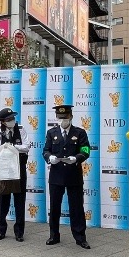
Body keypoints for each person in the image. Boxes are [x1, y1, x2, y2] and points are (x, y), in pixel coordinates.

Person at [42, 103, 91, 249]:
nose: (63, 120)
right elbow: (45, 150)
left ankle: (80, 237)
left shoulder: (80, 132)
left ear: (71, 117)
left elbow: (86, 150)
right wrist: (49, 157)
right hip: (56, 176)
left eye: (65, 117)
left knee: (76, 207)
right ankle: (53, 235)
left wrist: (76, 158)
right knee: (55, 207)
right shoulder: (51, 133)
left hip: (73, 175)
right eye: (60, 117)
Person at [0, 108, 29, 241]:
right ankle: (1, 230)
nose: (12, 121)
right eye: (8, 119)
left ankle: (19, 232)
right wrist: (7, 148)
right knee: (2, 201)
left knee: (19, 200)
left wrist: (11, 146)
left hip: (19, 169)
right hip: (4, 170)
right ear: (2, 121)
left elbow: (26, 146)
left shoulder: (21, 129)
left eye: (13, 118)